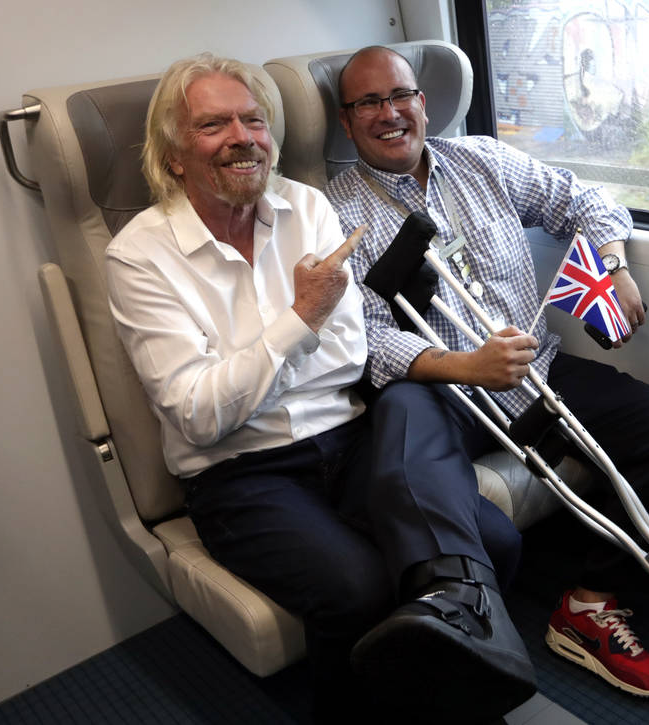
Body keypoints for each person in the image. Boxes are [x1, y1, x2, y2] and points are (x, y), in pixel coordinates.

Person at [105, 53, 536, 723]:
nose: (242, 136)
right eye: (214, 123)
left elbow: (350, 354)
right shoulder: (140, 255)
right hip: (240, 472)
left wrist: (250, 371)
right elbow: (198, 417)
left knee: (499, 542)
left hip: (347, 433)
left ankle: (451, 700)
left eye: (254, 119)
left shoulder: (305, 207)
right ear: (173, 155)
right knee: (359, 587)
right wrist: (300, 317)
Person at [325, 45, 649, 699]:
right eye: (369, 102)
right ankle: (458, 610)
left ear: (422, 102)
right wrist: (467, 366)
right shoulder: (334, 214)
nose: (389, 114)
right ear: (346, 119)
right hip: (446, 392)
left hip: (538, 370)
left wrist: (613, 267)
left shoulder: (484, 160)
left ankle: (589, 604)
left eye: (401, 96)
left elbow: (585, 202)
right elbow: (365, 342)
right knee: (399, 411)